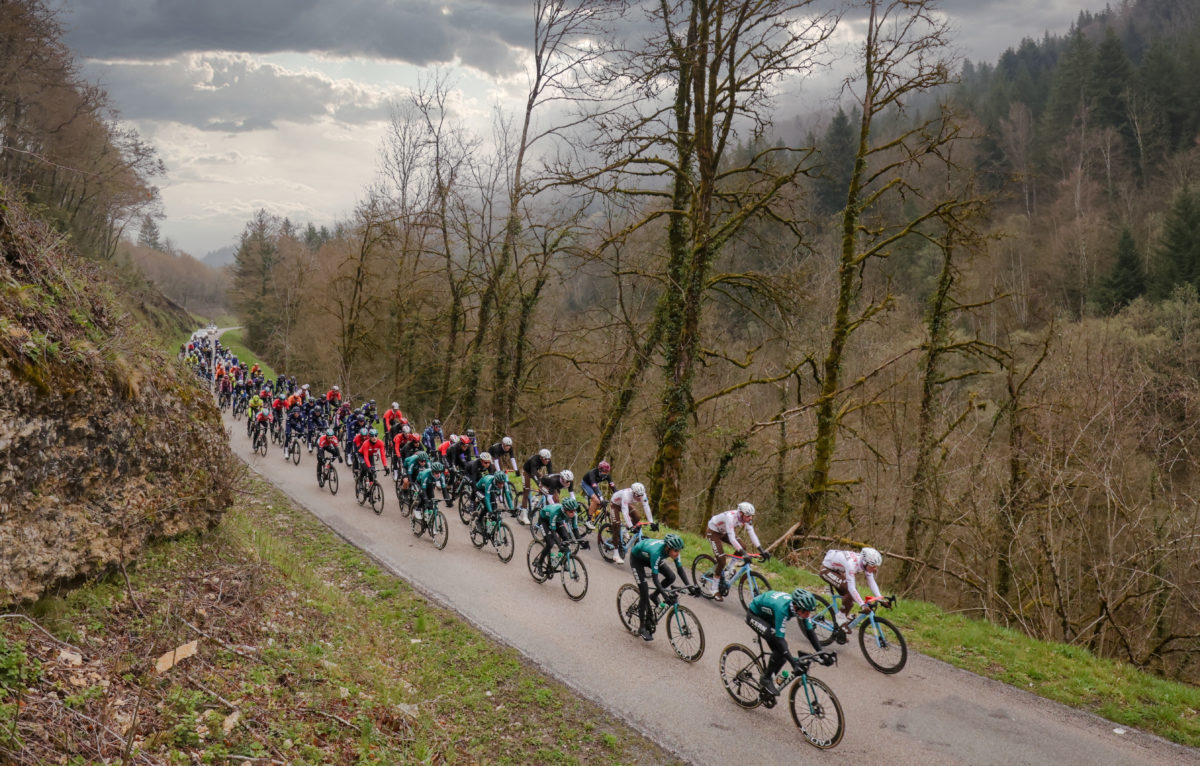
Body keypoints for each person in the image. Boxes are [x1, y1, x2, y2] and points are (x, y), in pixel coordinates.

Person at [746, 589, 832, 695]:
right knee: (780, 648)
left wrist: (821, 653)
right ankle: (766, 679)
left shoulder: (801, 608)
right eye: (805, 611)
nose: (808, 614)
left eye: (810, 611)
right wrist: (794, 663)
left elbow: (810, 631)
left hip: (770, 615)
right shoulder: (782, 609)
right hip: (755, 615)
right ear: (796, 607)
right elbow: (779, 640)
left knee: (782, 656)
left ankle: (768, 679)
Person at [629, 533, 695, 641]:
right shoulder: (657, 552)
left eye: (679, 551)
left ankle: (654, 596)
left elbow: (680, 570)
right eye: (675, 551)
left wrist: (690, 587)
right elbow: (655, 579)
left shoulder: (673, 551)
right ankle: (641, 627)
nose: (678, 553)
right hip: (637, 559)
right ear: (668, 548)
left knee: (671, 577)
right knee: (644, 591)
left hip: (649, 557)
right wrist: (665, 595)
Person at [705, 502, 769, 600]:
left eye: (751, 516)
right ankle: (714, 589)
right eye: (748, 516)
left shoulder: (746, 519)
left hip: (724, 531)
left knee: (743, 546)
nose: (750, 518)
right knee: (721, 560)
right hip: (713, 532)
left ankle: (728, 569)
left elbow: (752, 533)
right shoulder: (731, 518)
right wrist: (744, 554)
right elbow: (732, 539)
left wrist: (761, 549)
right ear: (741, 513)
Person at [820, 547, 884, 627]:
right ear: (865, 562)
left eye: (876, 566)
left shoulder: (866, 564)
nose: (875, 569)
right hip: (826, 570)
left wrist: (880, 599)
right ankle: (840, 618)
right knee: (851, 592)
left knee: (852, 598)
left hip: (838, 570)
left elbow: (871, 582)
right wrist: (862, 605)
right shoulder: (851, 564)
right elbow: (851, 588)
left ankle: (840, 625)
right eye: (873, 566)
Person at [531, 496, 588, 577]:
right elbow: (553, 532)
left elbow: (575, 530)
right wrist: (559, 545)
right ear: (565, 510)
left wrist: (582, 542)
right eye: (571, 511)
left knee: (566, 539)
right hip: (544, 520)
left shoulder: (573, 514)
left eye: (574, 511)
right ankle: (539, 563)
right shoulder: (555, 512)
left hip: (558, 520)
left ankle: (558, 561)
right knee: (550, 543)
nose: (573, 513)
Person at [607, 482, 655, 564]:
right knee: (616, 525)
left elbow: (646, 507)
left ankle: (625, 532)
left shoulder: (642, 495)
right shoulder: (626, 495)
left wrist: (651, 522)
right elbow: (625, 512)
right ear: (633, 492)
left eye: (641, 496)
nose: (639, 498)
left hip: (626, 504)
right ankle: (615, 554)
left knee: (637, 517)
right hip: (615, 504)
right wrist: (630, 526)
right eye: (637, 496)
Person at [519, 448, 553, 525]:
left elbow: (551, 474)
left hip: (535, 472)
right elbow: (534, 475)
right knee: (526, 492)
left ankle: (535, 500)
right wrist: (539, 485)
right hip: (527, 472)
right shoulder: (534, 460)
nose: (547, 461)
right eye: (545, 459)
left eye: (548, 459)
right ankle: (524, 516)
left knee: (545, 486)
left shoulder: (548, 461)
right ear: (541, 457)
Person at [580, 461, 615, 529]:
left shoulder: (607, 475)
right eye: (604, 472)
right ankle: (588, 520)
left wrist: (619, 495)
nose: (605, 474)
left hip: (595, 485)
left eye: (606, 472)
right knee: (596, 500)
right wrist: (601, 498)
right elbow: (594, 486)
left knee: (600, 504)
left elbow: (612, 486)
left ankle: (592, 513)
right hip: (587, 484)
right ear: (599, 470)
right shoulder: (592, 473)